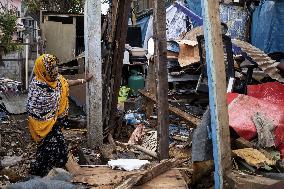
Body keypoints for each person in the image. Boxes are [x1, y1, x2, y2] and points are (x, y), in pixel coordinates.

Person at [27, 54, 92, 176]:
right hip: (44, 125)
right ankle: (41, 176)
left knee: (50, 150)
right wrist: (53, 118)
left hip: (56, 122)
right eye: (52, 68)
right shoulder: (38, 87)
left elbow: (66, 83)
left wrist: (83, 80)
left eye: (56, 66)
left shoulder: (55, 79)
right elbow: (36, 111)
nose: (56, 70)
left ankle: (41, 172)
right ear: (43, 69)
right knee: (56, 149)